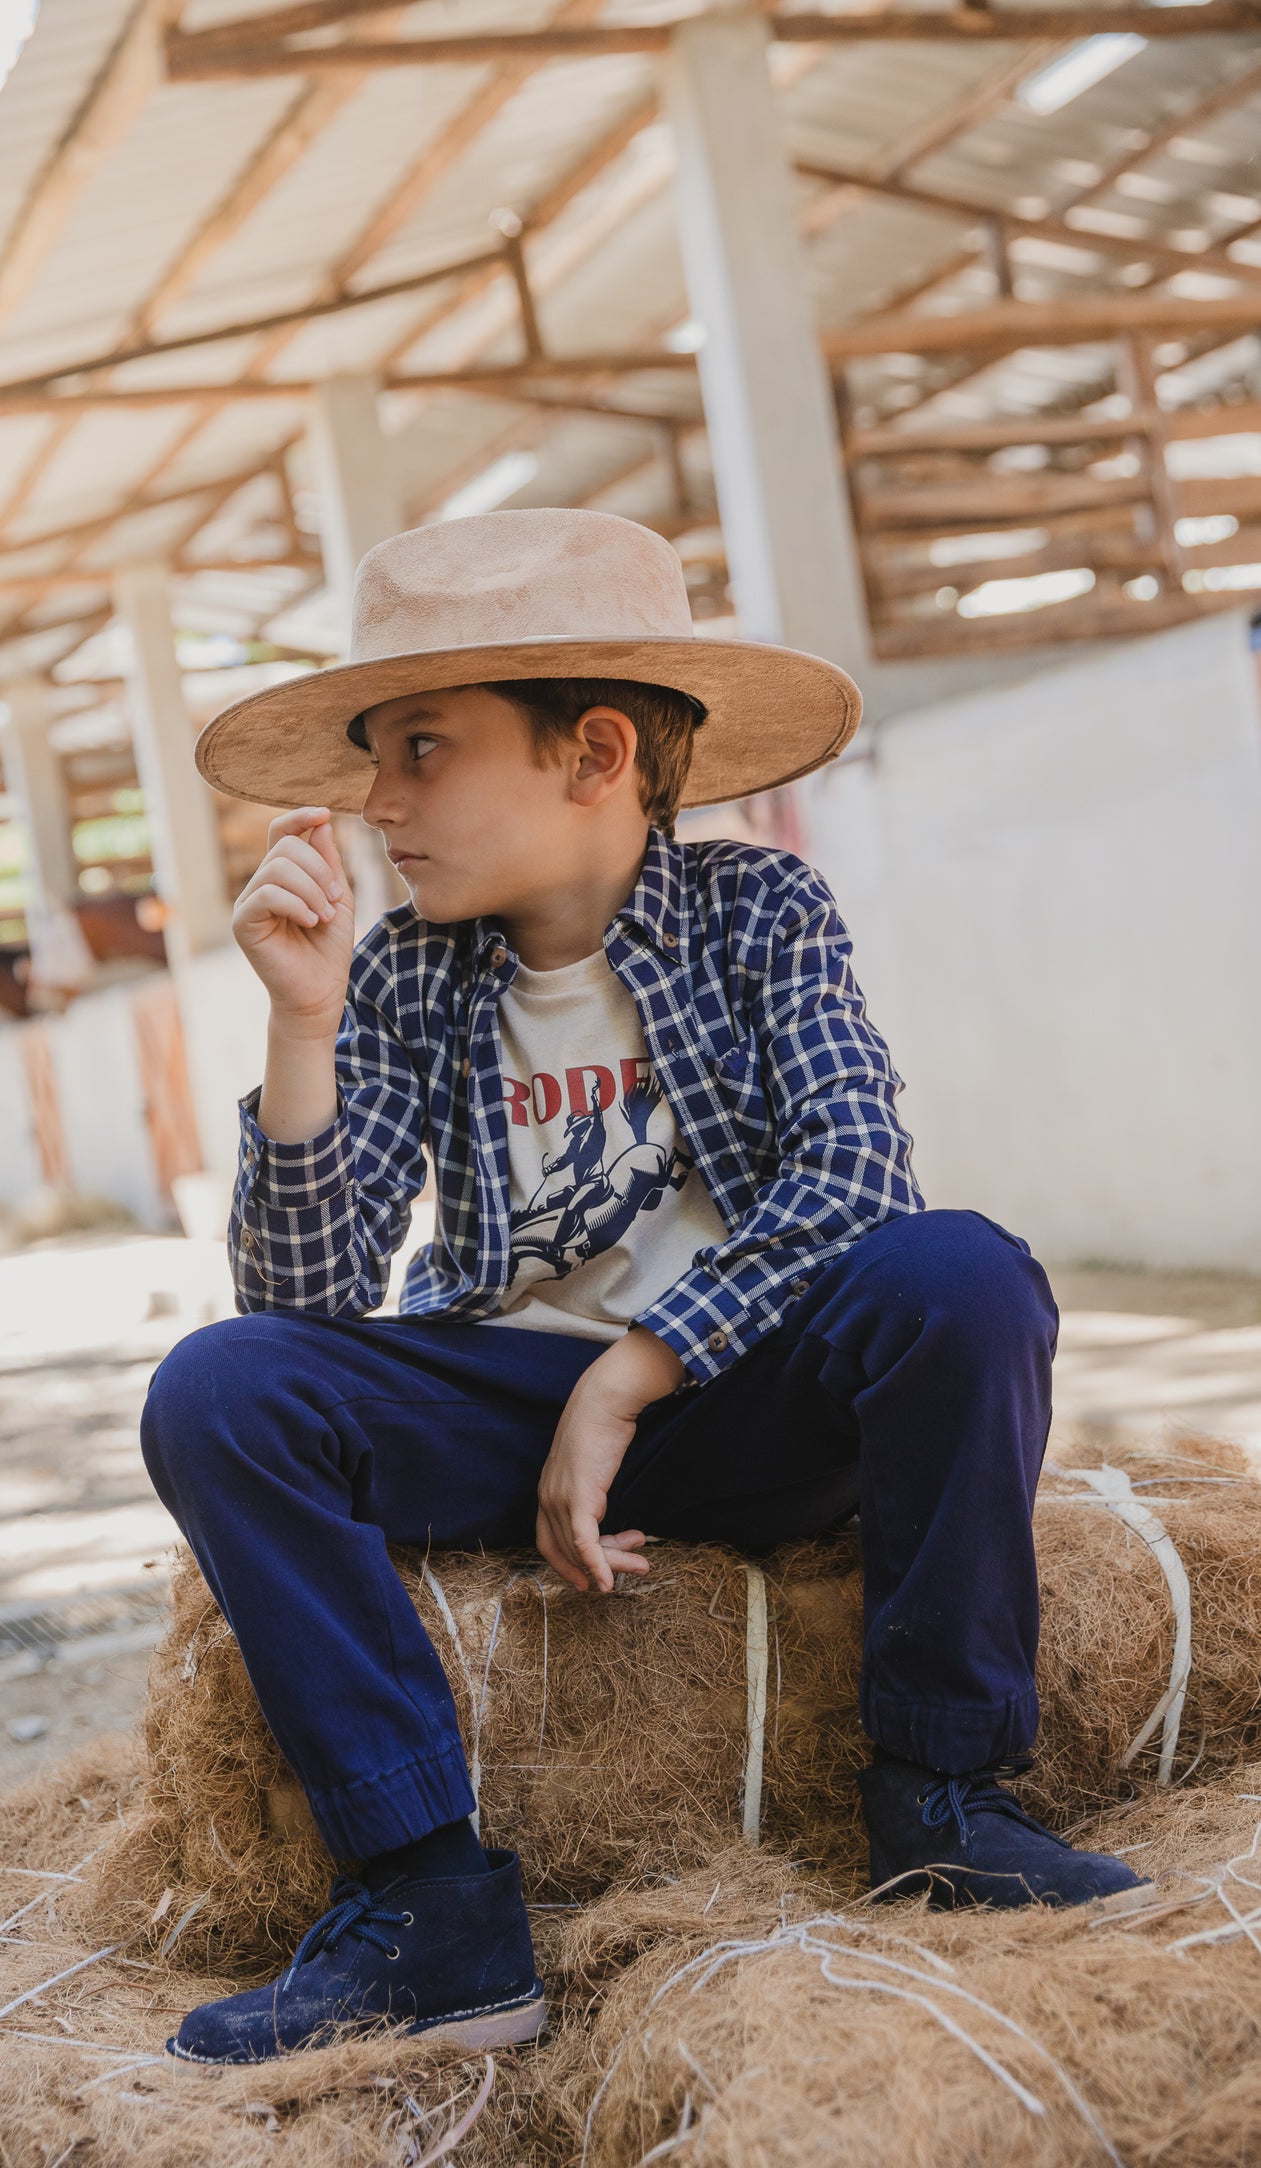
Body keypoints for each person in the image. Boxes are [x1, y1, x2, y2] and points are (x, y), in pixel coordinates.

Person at [141, 507, 1145, 2067]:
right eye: (371, 758)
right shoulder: (406, 974)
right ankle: (428, 1904)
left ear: (592, 752)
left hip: (736, 1393)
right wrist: (300, 1030)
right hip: (496, 1405)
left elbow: (854, 1182)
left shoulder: (760, 917)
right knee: (221, 1386)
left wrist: (633, 1370)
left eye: (419, 750)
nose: (375, 801)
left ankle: (942, 1799)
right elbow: (310, 1295)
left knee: (959, 1275)